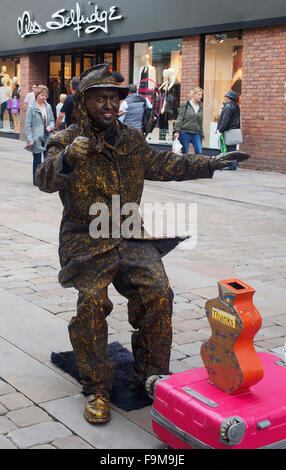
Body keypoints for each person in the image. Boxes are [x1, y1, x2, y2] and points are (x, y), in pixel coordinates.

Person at [35, 64, 249, 425]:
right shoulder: (66, 138)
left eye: (113, 98)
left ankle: (150, 375)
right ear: (85, 101)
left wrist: (210, 164)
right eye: (99, 98)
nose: (108, 104)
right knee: (91, 303)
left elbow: (168, 163)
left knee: (159, 292)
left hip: (130, 233)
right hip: (85, 238)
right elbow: (44, 179)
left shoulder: (132, 141)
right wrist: (69, 157)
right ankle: (97, 387)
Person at [25, 85, 55, 185]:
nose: (44, 98)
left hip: (47, 137)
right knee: (37, 160)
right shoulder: (31, 107)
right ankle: (36, 180)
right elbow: (28, 125)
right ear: (37, 95)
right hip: (36, 138)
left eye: (45, 95)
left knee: (47, 160)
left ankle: (46, 180)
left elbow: (52, 120)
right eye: (42, 95)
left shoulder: (48, 106)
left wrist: (51, 126)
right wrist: (30, 139)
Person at [174, 87, 204, 154]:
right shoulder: (186, 104)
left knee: (199, 152)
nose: (201, 96)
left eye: (201, 95)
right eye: (199, 94)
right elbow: (180, 118)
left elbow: (200, 121)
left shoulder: (201, 106)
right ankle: (185, 165)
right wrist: (177, 131)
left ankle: (196, 165)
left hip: (196, 133)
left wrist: (202, 134)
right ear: (193, 95)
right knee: (185, 153)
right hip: (185, 132)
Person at [217, 90, 241, 170]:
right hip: (234, 130)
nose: (225, 98)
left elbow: (225, 120)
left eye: (226, 97)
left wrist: (220, 129)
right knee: (232, 149)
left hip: (228, 131)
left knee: (228, 149)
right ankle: (233, 165)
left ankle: (230, 165)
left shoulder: (228, 106)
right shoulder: (236, 105)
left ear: (229, 98)